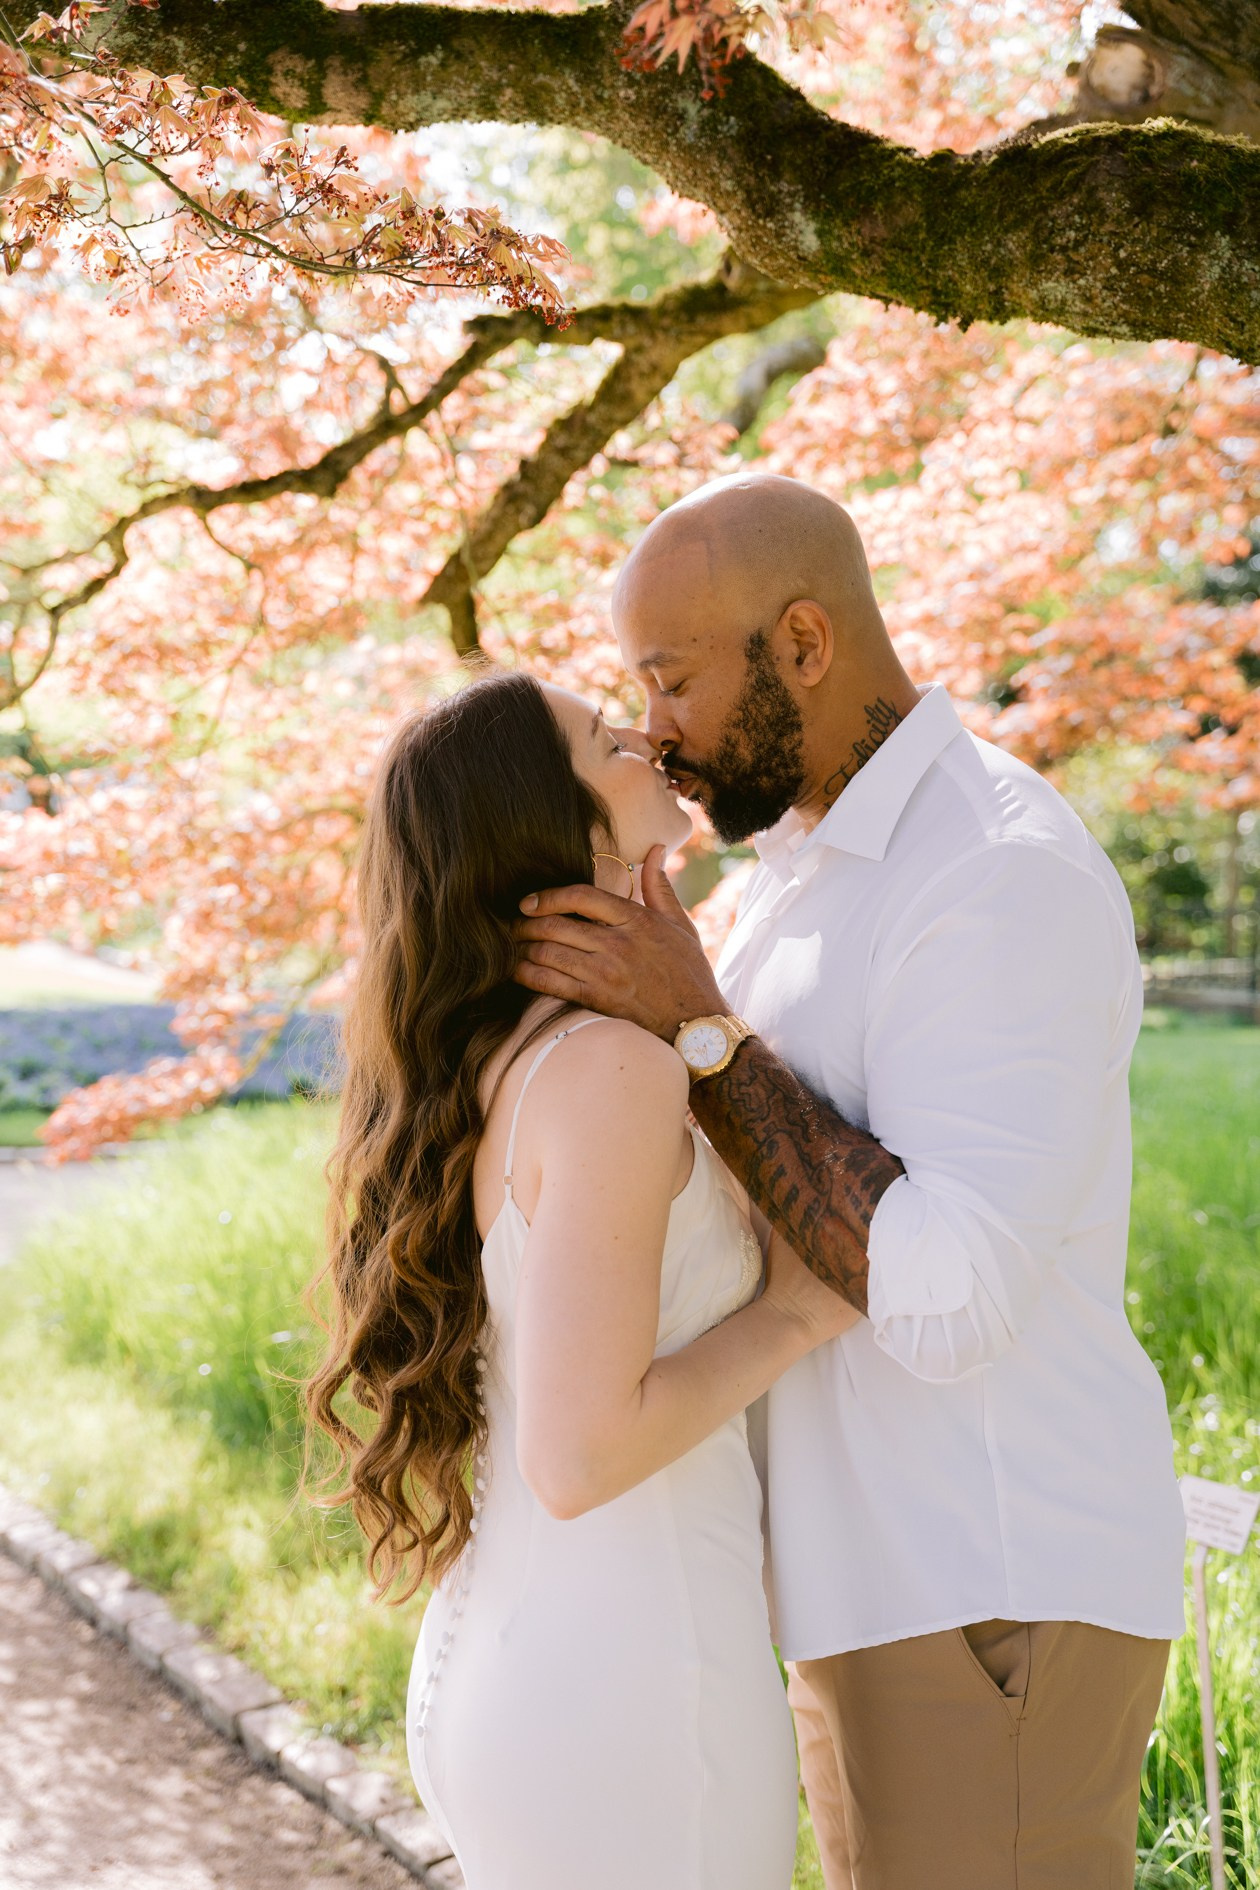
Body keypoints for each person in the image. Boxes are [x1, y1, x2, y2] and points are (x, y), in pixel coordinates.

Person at [514, 472, 1188, 1890]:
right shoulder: (795, 872)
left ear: (805, 645)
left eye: (674, 676)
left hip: (986, 1592)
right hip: (863, 1587)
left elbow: (946, 1295)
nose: (653, 727)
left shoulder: (995, 872)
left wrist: (701, 1033)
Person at [305, 669, 853, 1890]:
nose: (651, 742)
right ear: (554, 824)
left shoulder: (514, 1059)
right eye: (610, 743)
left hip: (531, 1663)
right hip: (638, 1690)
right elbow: (580, 1454)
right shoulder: (609, 1069)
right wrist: (798, 1311)